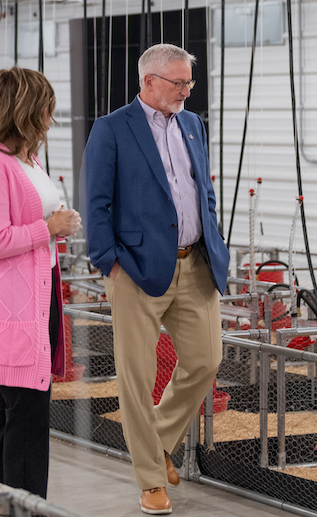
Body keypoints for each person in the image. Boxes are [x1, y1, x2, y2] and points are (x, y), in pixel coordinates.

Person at [83, 43, 229, 515]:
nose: (187, 91)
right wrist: (108, 260)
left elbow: (201, 189)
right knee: (137, 376)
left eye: (190, 82)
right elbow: (96, 201)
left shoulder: (191, 124)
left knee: (206, 360)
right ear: (149, 82)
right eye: (179, 83)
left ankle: (161, 440)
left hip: (195, 263)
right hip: (135, 270)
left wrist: (214, 239)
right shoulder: (111, 130)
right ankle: (149, 477)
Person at [0, 66, 81, 498]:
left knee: (10, 410)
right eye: (47, 106)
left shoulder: (26, 158)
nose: (52, 116)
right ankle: (26, 507)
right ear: (27, 109)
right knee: (26, 415)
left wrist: (53, 224)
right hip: (10, 308)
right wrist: (50, 226)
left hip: (36, 298)